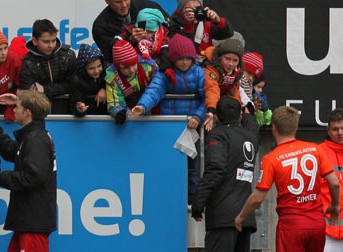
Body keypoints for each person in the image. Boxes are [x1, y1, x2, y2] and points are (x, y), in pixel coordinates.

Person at [235, 106, 341, 252]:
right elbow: (334, 183)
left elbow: (257, 198)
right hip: (317, 224)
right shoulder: (314, 149)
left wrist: (240, 218)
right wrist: (335, 205)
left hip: (291, 224)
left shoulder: (271, 158)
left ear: (274, 128)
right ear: (296, 127)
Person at [0, 89, 57, 252]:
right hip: (26, 222)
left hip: (33, 223)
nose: (13, 110)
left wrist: (2, 178)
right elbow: (11, 150)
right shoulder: (32, 136)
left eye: (18, 107)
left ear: (27, 112)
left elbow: (33, 176)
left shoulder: (36, 139)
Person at [130, 34, 206, 203]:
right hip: (168, 130)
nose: (184, 63)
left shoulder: (200, 74)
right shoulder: (165, 74)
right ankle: (168, 200)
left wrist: (198, 117)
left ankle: (192, 204)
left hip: (192, 129)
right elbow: (154, 92)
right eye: (180, 59)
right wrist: (142, 107)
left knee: (192, 169)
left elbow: (207, 99)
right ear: (172, 59)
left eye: (188, 58)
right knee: (168, 166)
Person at [191, 97, 260, 252]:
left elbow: (216, 169)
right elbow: (253, 127)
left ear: (217, 118)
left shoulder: (219, 134)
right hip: (245, 217)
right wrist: (249, 114)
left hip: (223, 216)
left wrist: (198, 203)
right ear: (240, 117)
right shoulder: (250, 137)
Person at [91, 0, 168, 62]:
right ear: (107, 0)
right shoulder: (100, 26)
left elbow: (173, 29)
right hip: (125, 69)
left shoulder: (149, 7)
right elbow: (111, 55)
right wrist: (130, 40)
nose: (124, 5)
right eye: (118, 2)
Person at [20, 19, 75, 114]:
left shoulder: (68, 55)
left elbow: (74, 85)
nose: (51, 45)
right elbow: (29, 92)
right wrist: (60, 88)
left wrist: (45, 89)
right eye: (46, 42)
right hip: (39, 113)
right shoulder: (28, 61)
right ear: (34, 41)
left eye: (53, 40)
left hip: (68, 112)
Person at [167, 0, 234, 62]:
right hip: (185, 64)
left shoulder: (205, 20)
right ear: (181, 10)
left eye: (196, 8)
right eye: (189, 9)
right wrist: (188, 25)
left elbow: (228, 34)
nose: (193, 12)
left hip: (206, 64)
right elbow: (183, 49)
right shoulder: (173, 23)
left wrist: (218, 21)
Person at [105, 39, 156, 125]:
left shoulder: (147, 65)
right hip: (129, 112)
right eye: (126, 68)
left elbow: (158, 85)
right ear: (118, 67)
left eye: (133, 64)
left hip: (152, 106)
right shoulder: (112, 77)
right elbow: (114, 103)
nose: (131, 70)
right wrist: (119, 113)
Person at [204, 37, 248, 129]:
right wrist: (212, 110)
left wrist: (237, 112)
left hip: (218, 103)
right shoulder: (210, 67)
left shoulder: (236, 72)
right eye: (227, 59)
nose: (231, 64)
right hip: (206, 104)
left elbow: (234, 93)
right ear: (220, 57)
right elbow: (212, 89)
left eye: (235, 60)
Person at [319, 109, 343, 252]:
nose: (340, 132)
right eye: (335, 129)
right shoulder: (318, 152)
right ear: (328, 130)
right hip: (328, 233)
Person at [68, 44, 107, 116]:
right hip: (86, 118)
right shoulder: (75, 79)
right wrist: (79, 109)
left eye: (99, 66)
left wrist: (105, 88)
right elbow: (74, 103)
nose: (97, 71)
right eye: (91, 68)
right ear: (83, 69)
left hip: (108, 115)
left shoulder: (107, 71)